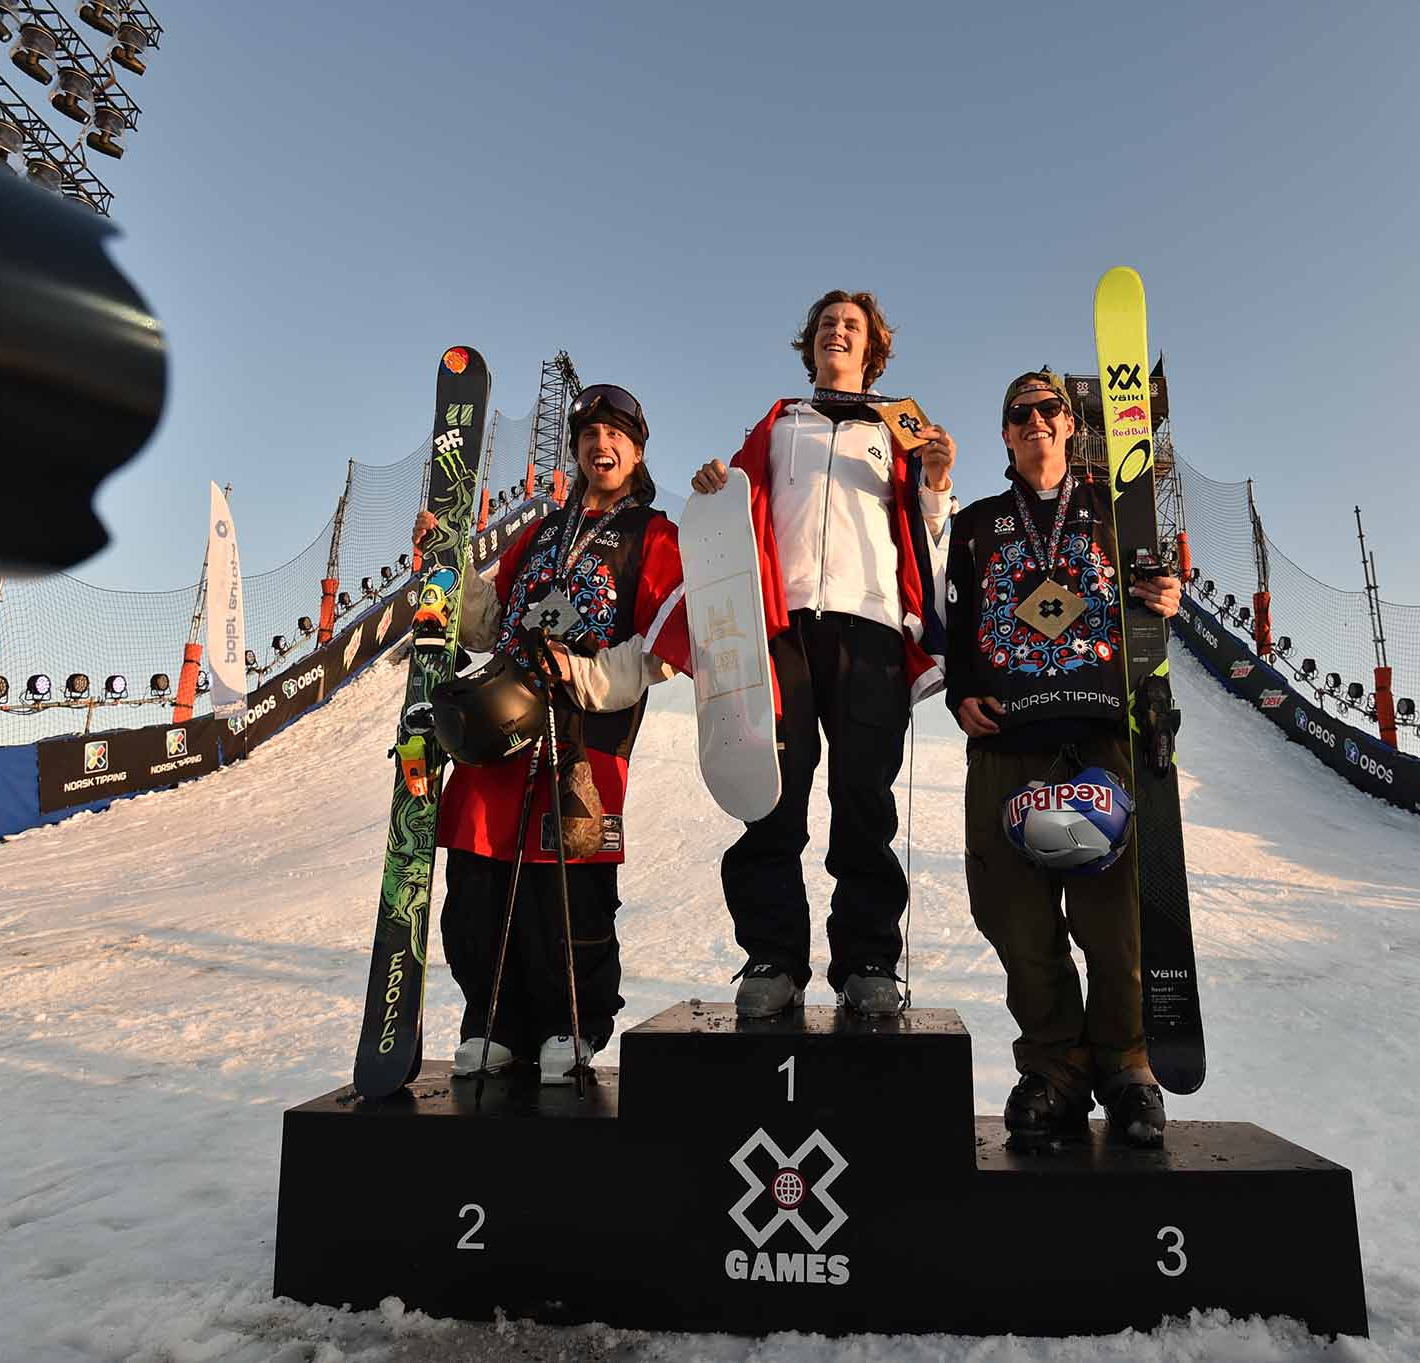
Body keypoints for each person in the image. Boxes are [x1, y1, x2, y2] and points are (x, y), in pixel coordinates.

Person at [689, 290, 955, 1018]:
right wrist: (715, 488)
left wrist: (935, 483)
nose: (838, 331)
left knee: (864, 798)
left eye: (853, 326)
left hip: (870, 626)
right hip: (783, 626)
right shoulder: (780, 422)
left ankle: (868, 958)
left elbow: (928, 531)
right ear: (810, 344)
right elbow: (737, 507)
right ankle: (773, 956)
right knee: (773, 792)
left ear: (873, 349)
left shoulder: (900, 426)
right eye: (828, 324)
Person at [942, 368, 1182, 1150]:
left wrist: (1168, 595)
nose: (1036, 420)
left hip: (1096, 733)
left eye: (1049, 408)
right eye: (1020, 412)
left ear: (1071, 425)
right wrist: (960, 694)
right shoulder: (977, 524)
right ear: (1005, 433)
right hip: (1008, 739)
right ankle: (1054, 1066)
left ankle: (1126, 1064)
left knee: (1113, 922)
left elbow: (1153, 593)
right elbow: (954, 627)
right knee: (1013, 913)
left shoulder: (1116, 512)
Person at [421, 383, 688, 1084]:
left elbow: (662, 648)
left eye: (617, 436)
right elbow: (487, 623)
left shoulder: (655, 536)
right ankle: (492, 1024)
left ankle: (573, 1023)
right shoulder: (540, 532)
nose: (602, 446)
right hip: (500, 732)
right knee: (477, 888)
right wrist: (449, 563)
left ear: (637, 452)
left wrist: (583, 672)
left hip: (583, 736)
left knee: (568, 894)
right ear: (576, 449)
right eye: (590, 435)